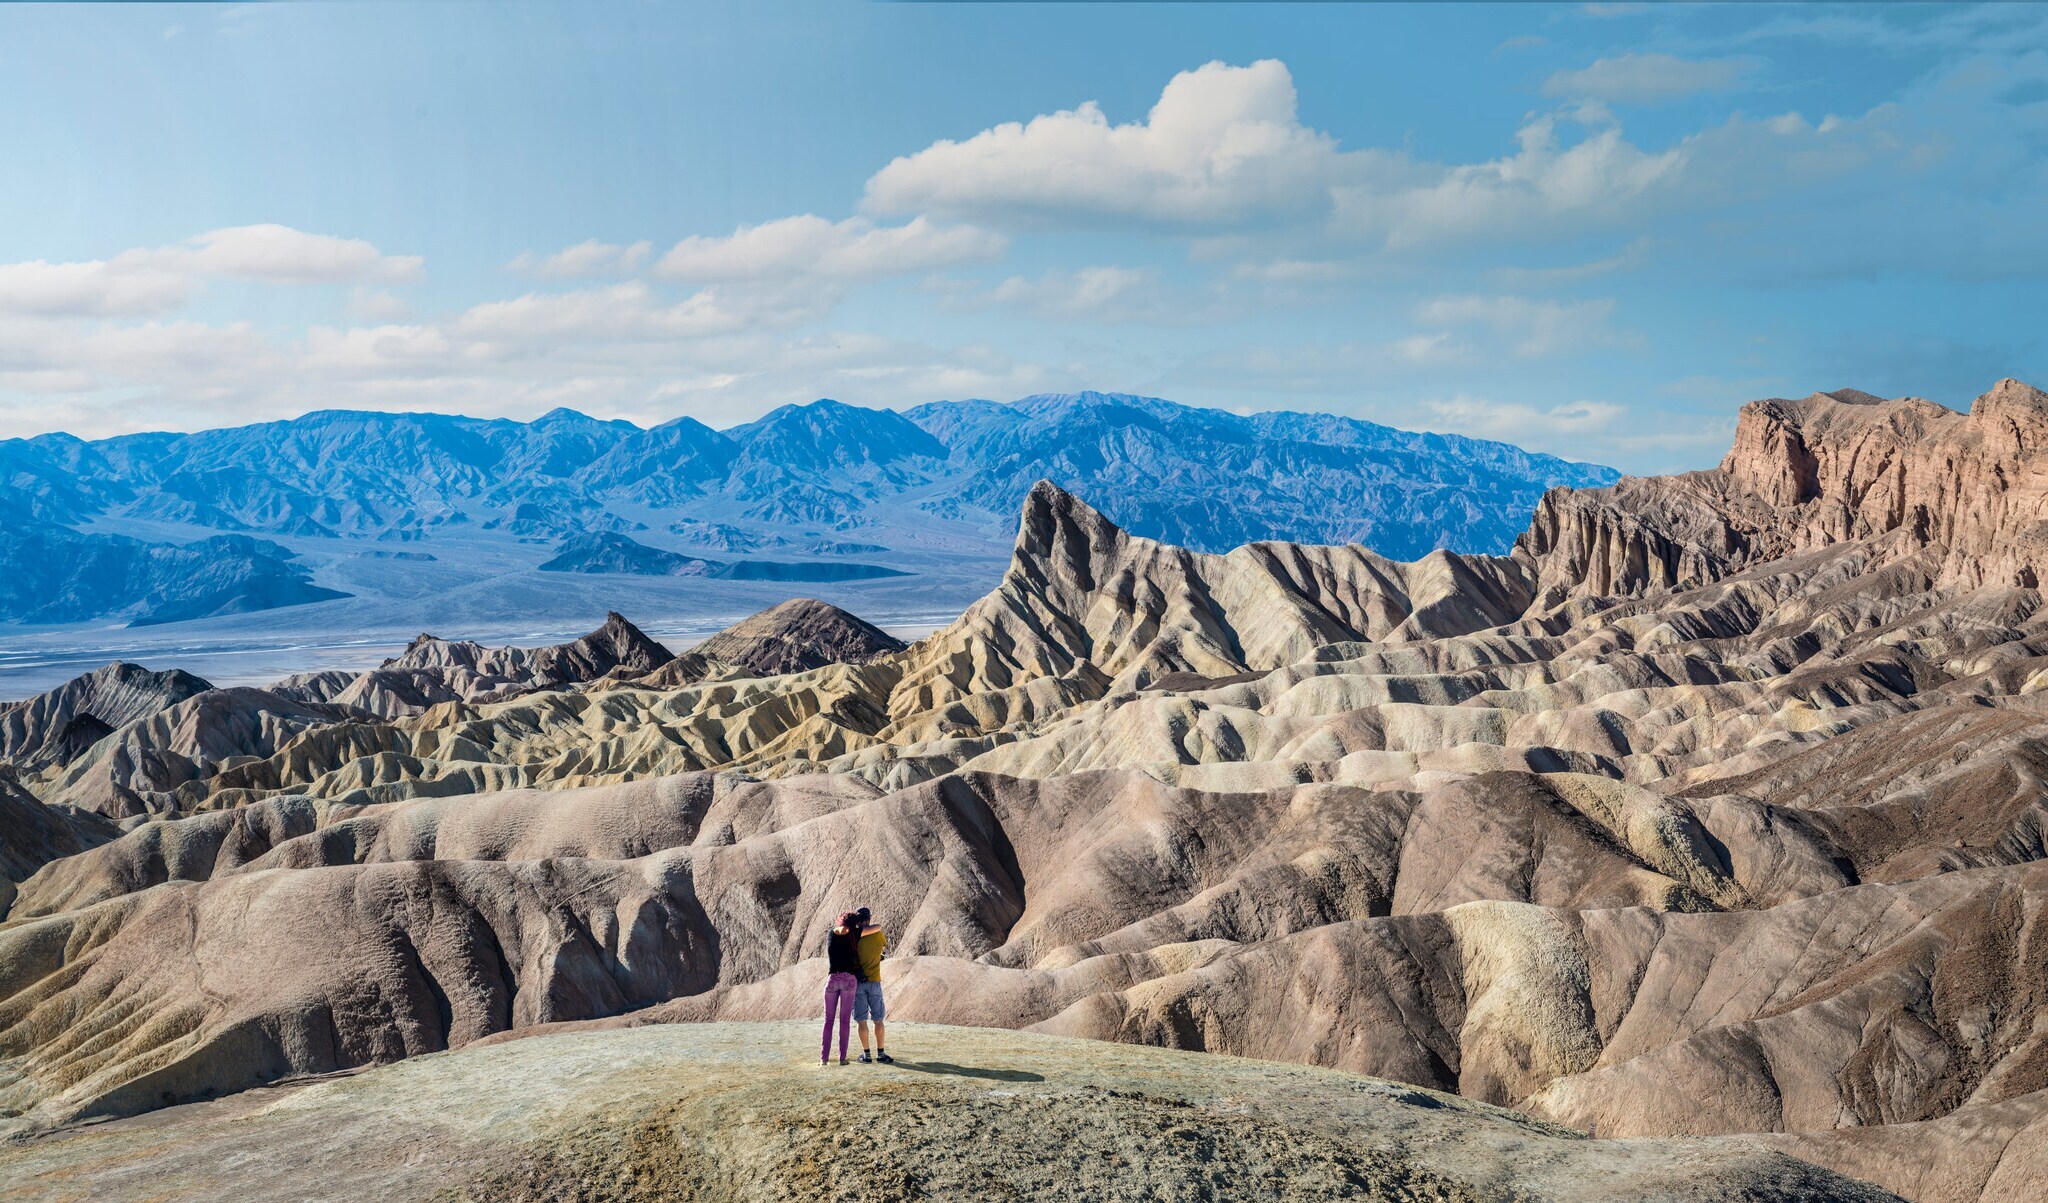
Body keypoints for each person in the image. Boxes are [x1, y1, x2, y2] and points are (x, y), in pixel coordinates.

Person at [850, 906, 893, 1064]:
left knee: (861, 1021)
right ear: (869, 919)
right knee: (878, 1020)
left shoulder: (853, 937)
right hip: (874, 981)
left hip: (857, 983)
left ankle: (866, 1055)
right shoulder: (877, 933)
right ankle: (881, 1054)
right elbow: (882, 949)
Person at [822, 911, 862, 1066]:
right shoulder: (855, 934)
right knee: (844, 1021)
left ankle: (823, 1059)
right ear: (853, 924)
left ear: (840, 921)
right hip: (849, 980)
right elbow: (877, 928)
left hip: (832, 979)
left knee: (828, 1021)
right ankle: (842, 1058)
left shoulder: (831, 934)